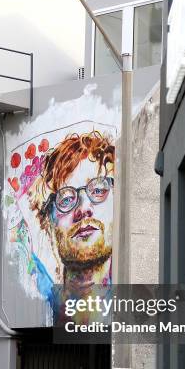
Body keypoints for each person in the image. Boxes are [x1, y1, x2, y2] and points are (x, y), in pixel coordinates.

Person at [28, 131, 114, 315]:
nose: (83, 209)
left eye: (98, 189)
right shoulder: (38, 303)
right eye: (66, 199)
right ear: (47, 223)